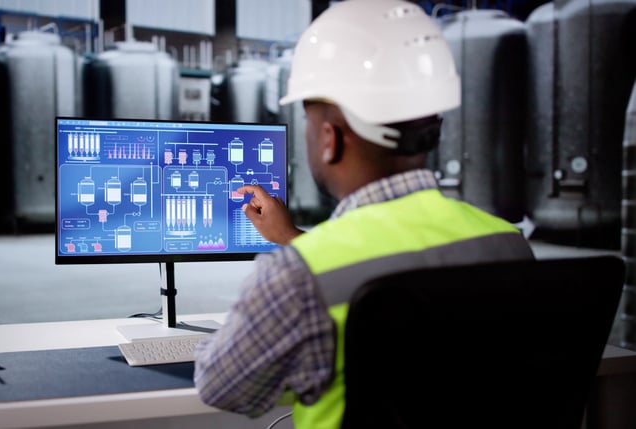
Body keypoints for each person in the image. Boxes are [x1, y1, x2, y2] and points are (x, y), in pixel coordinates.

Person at [192, 0, 535, 428]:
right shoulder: (505, 242)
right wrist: (294, 237)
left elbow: (221, 386)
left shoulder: (297, 277)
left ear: (329, 139)